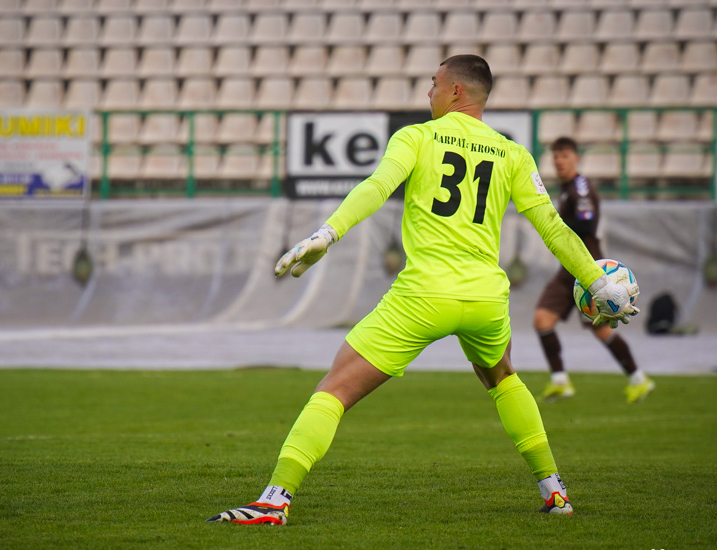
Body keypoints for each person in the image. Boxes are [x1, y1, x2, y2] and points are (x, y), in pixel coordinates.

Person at [207, 55, 636, 526]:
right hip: (486, 300)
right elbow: (552, 227)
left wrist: (327, 234)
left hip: (425, 293)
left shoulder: (417, 137)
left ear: (455, 91)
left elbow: (376, 186)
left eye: (433, 83)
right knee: (503, 377)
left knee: (335, 389)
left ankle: (274, 500)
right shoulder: (513, 153)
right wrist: (596, 282)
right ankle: (556, 493)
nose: (427, 92)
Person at [533, 137, 655, 404]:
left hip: (588, 268)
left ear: (576, 159)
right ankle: (560, 382)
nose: (559, 162)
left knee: (601, 329)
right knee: (543, 319)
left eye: (564, 156)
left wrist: (556, 226)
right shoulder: (568, 188)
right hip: (570, 268)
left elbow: (586, 224)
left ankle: (638, 379)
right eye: (555, 157)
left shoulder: (580, 188)